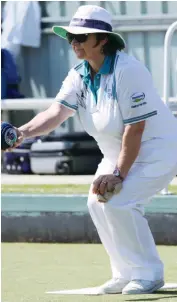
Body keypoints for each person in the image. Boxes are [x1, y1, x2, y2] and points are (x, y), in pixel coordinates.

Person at [7, 5, 177, 295]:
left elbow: (135, 129)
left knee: (119, 201)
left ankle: (148, 274)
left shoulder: (130, 71)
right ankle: (125, 273)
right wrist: (22, 133)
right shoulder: (79, 74)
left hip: (157, 151)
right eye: (71, 37)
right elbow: (57, 112)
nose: (74, 43)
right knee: (96, 202)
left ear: (102, 40)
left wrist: (119, 174)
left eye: (81, 37)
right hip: (116, 153)